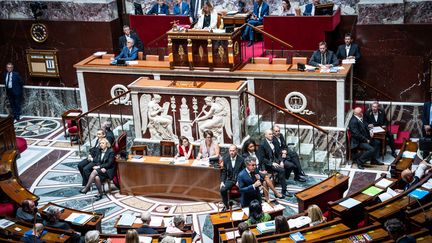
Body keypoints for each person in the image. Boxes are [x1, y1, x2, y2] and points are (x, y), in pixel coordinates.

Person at [257, 129, 289, 197]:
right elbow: (262, 159)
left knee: (286, 166)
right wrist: (271, 163)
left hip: (275, 160)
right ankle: (284, 190)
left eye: (272, 134)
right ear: (265, 135)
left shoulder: (274, 141)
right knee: (282, 170)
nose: (271, 135)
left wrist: (281, 161)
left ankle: (280, 183)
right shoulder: (262, 144)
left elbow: (278, 153)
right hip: (267, 164)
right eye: (269, 134)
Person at [220, 145, 245, 210]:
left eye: (233, 151)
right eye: (230, 151)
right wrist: (222, 181)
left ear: (236, 151)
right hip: (230, 179)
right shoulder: (226, 159)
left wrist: (239, 180)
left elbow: (243, 171)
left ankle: (244, 204)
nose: (231, 152)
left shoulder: (241, 159)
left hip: (239, 179)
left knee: (244, 188)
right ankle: (226, 206)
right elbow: (224, 172)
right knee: (222, 190)